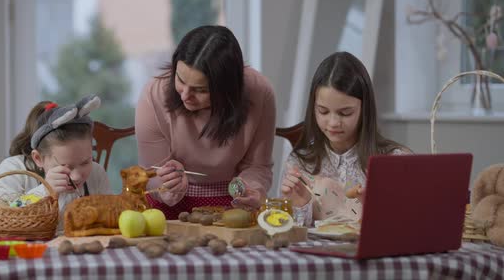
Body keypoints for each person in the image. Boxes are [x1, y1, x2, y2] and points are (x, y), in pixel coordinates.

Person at [135, 25, 276, 219]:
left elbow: (258, 166)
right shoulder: (154, 94)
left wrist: (251, 191)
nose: (185, 95)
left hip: (234, 206)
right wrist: (166, 185)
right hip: (165, 209)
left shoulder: (260, 92)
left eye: (200, 90)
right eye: (180, 79)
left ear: (228, 89)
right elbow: (150, 173)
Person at [280, 52, 411, 227]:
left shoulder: (395, 160)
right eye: (323, 111)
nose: (333, 123)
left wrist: (377, 209)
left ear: (364, 110)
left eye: (345, 113)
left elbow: (411, 224)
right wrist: (299, 205)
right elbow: (287, 229)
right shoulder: (300, 162)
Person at [0, 95, 112, 228]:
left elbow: (110, 219)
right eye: (65, 166)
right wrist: (45, 191)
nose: (76, 176)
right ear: (38, 158)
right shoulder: (14, 170)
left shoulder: (96, 173)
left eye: (86, 162)